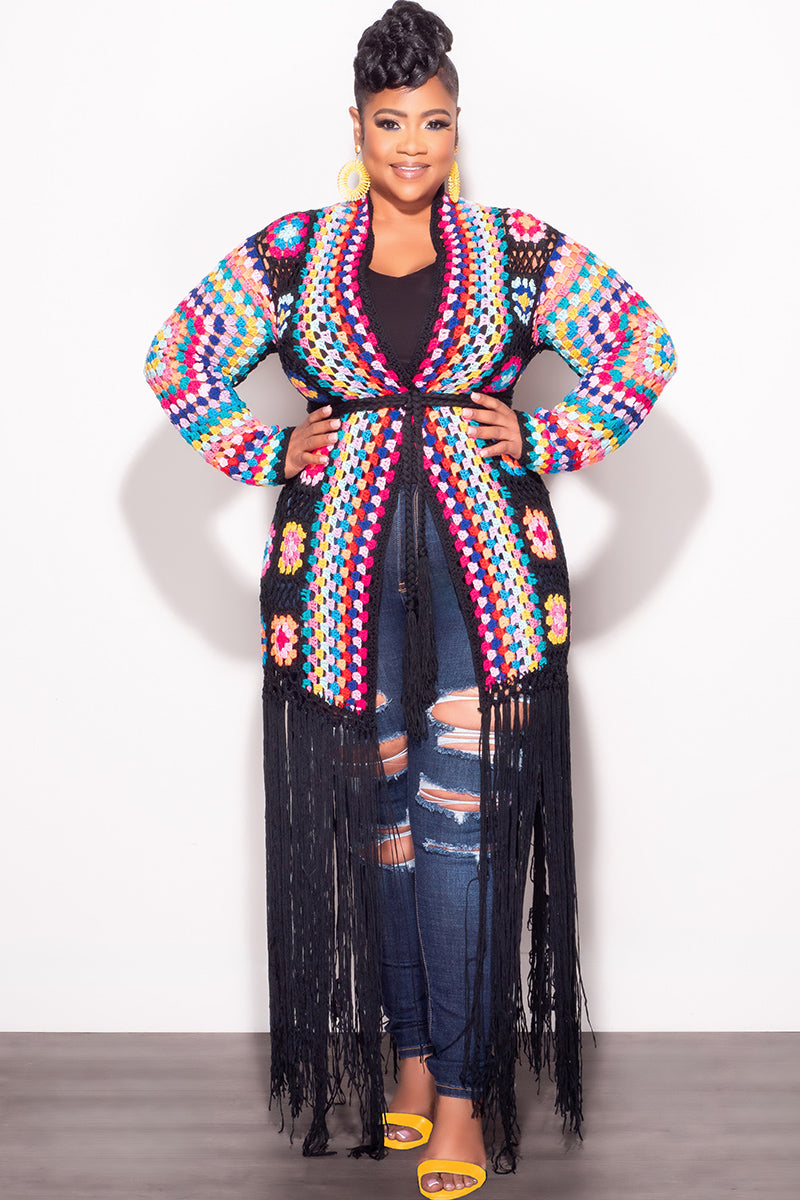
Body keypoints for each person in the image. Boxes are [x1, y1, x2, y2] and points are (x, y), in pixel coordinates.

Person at [144, 3, 677, 1196]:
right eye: (390, 122)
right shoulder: (293, 253)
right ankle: (413, 1057)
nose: (412, 145)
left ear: (456, 127)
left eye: (434, 122)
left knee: (459, 831)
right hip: (337, 585)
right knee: (382, 823)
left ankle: (466, 1095)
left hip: (488, 581)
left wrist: (546, 434)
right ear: (356, 126)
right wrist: (265, 450)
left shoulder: (512, 248)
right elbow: (177, 357)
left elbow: (639, 347)